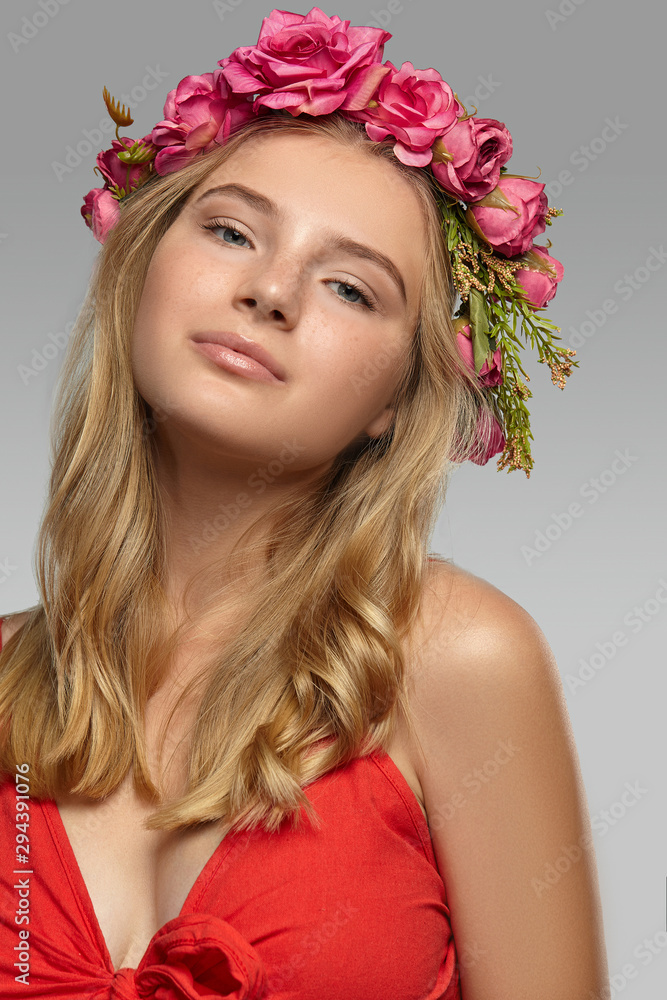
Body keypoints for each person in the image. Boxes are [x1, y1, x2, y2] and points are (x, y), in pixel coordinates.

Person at [0, 8, 608, 998]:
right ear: (143, 266)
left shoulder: (458, 659)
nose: (272, 290)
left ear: (393, 405)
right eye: (233, 230)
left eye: (350, 289)